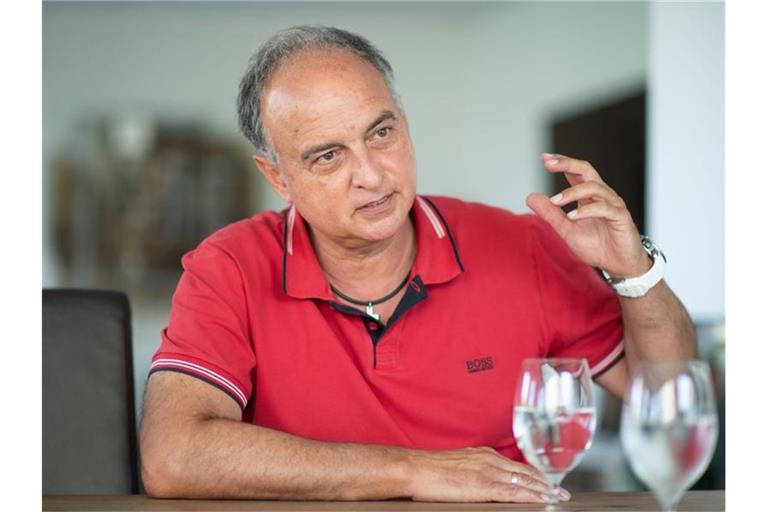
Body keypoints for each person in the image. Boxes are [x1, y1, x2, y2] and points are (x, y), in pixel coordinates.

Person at [139, 25, 695, 503]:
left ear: (404, 122)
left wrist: (636, 274)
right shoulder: (228, 267)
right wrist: (412, 470)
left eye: (381, 133)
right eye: (328, 156)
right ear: (278, 177)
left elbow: (669, 402)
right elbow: (172, 456)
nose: (372, 175)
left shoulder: (524, 246)